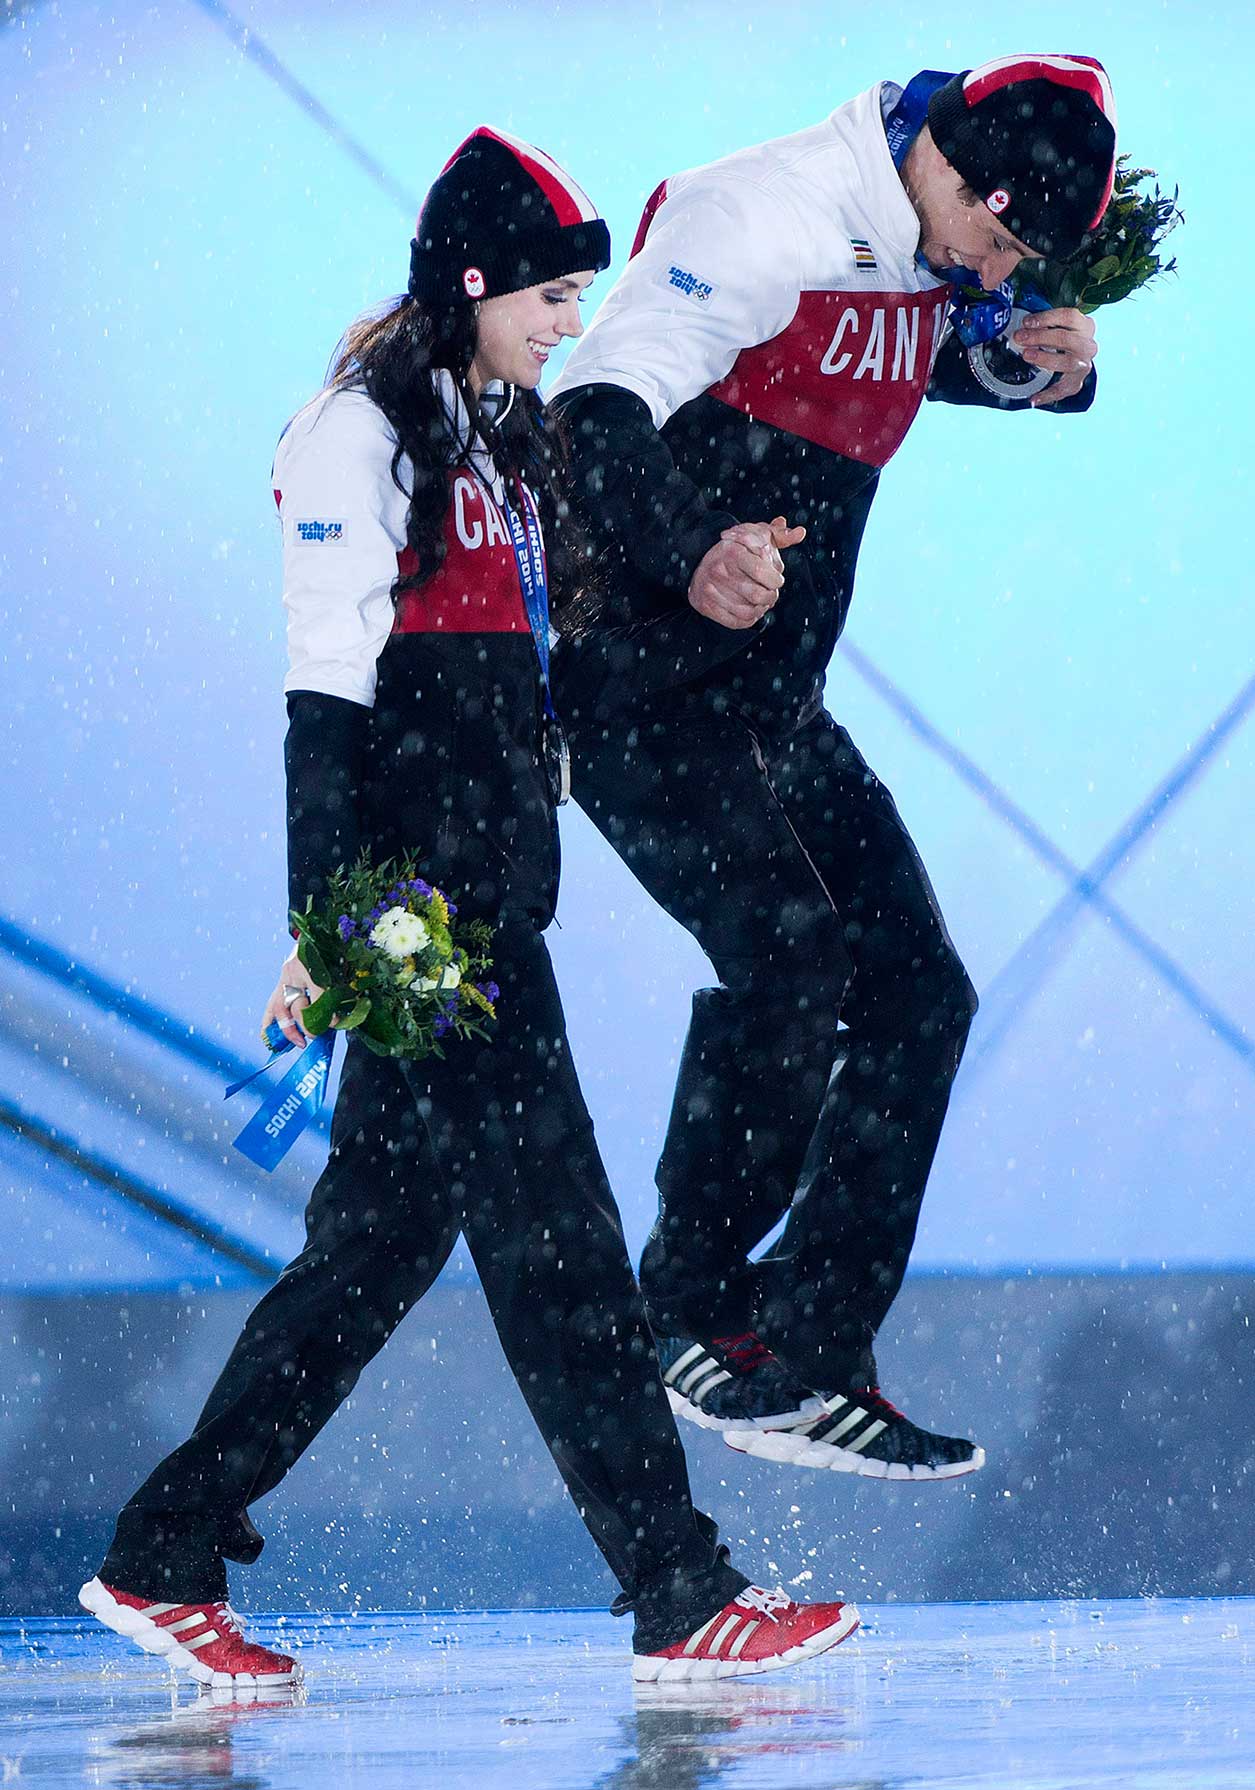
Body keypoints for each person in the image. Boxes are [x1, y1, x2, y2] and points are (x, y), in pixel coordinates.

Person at [77, 127, 859, 1689]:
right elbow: (327, 706)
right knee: (562, 1247)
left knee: (369, 1252)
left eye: (582, 298)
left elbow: (538, 671)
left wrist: (714, 564)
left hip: (496, 906)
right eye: (554, 297)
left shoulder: (495, 438)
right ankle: (680, 1588)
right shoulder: (353, 437)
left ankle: (164, 1554)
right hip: (429, 933)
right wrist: (333, 927)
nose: (572, 324)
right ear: (479, 281)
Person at [547, 57, 1118, 1481]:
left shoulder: (928, 232)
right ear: (956, 172)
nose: (987, 269)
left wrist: (1032, 371)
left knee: (921, 990)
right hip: (640, 680)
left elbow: (907, 354)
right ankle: (683, 1310)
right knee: (791, 955)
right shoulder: (761, 214)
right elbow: (589, 415)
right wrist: (694, 550)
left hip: (772, 702)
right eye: (993, 243)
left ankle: (806, 1349)